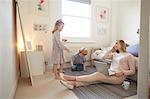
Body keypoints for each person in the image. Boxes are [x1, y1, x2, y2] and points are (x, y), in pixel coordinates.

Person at [59, 40, 136, 89]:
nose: (115, 44)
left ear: (122, 45)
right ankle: (73, 84)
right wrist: (110, 50)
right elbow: (103, 57)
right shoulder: (115, 54)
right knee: (95, 79)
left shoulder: (129, 56)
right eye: (115, 43)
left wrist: (123, 72)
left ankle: (70, 78)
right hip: (110, 73)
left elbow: (133, 71)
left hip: (118, 78)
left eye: (117, 43)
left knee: (97, 75)